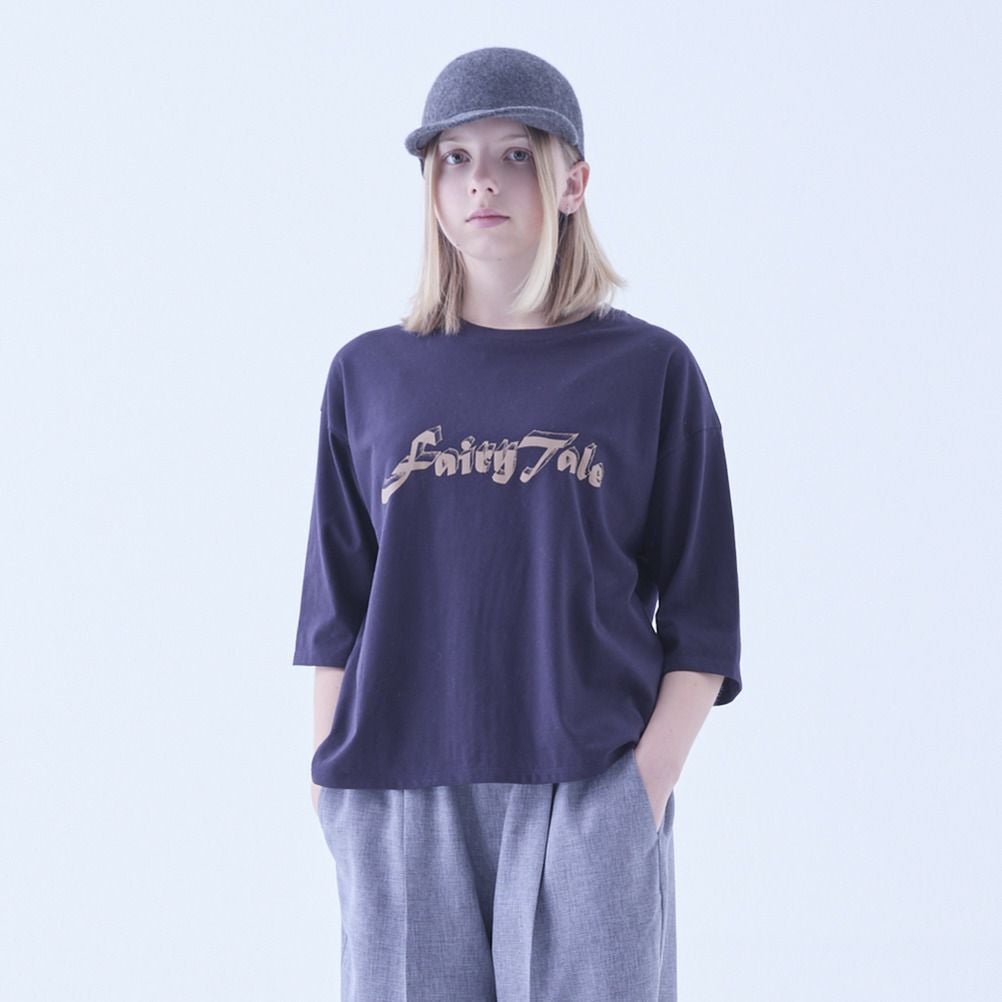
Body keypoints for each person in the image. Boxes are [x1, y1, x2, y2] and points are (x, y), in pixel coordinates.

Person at [292, 45, 742, 1002]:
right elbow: (335, 607)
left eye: (515, 156)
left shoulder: (651, 373)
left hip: (588, 788)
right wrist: (332, 787)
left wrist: (642, 790)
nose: (482, 182)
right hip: (399, 795)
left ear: (573, 182)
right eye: (455, 157)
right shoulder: (369, 375)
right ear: (430, 186)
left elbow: (704, 619)